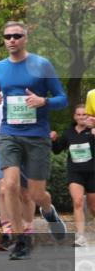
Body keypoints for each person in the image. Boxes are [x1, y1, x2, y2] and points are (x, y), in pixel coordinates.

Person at [0, 20, 68, 260]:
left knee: (36, 194)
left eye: (17, 36)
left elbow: (62, 98)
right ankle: (21, 240)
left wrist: (44, 101)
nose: (12, 40)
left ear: (25, 38)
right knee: (8, 186)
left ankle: (49, 212)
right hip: (9, 133)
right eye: (7, 36)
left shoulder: (42, 65)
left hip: (37, 136)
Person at [0, 103, 37, 250]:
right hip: (1, 148)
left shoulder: (27, 92)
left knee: (25, 193)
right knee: (3, 189)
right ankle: (7, 232)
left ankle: (28, 230)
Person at [51, 105, 95, 247]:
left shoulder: (93, 131)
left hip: (92, 172)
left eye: (84, 114)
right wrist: (54, 139)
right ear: (74, 117)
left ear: (89, 116)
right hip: (75, 171)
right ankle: (80, 237)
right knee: (77, 202)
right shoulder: (69, 132)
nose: (82, 117)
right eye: (79, 115)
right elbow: (57, 150)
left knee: (93, 206)